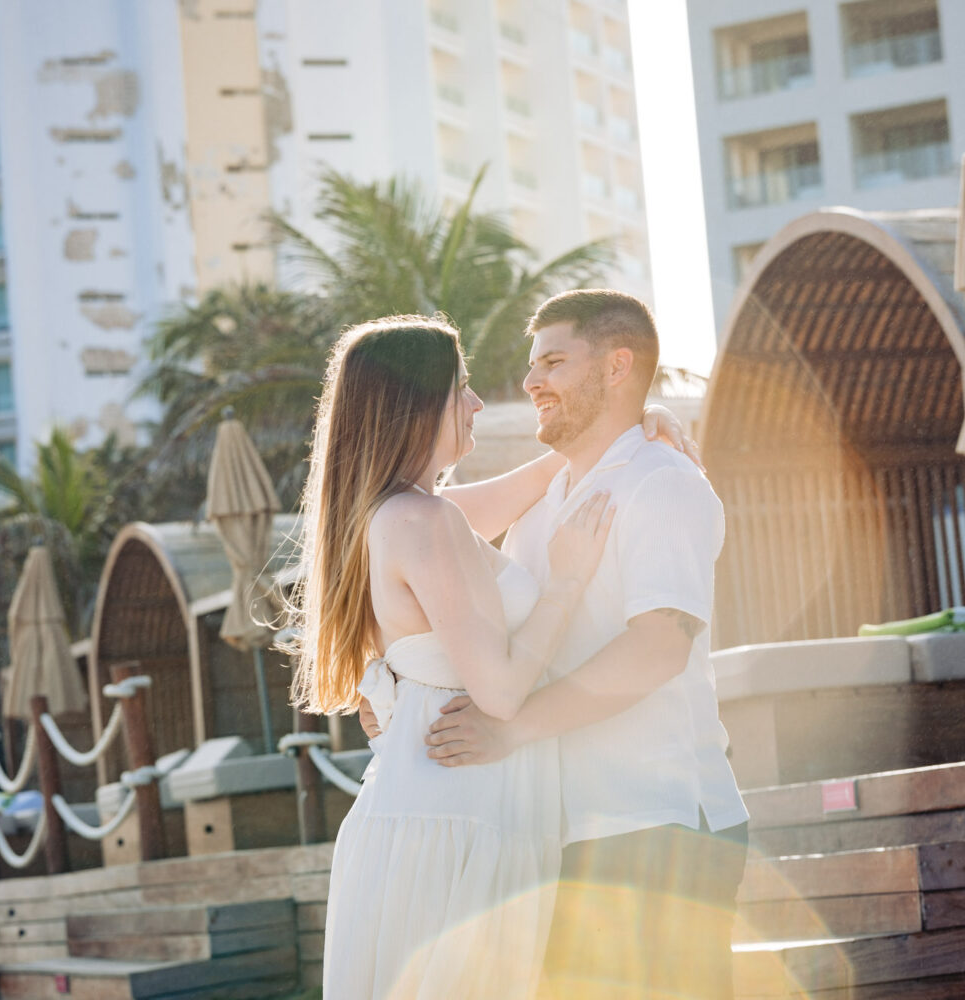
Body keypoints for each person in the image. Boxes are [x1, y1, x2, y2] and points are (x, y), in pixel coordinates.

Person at [293, 315, 694, 1000]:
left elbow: (524, 487)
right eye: (462, 389)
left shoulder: (399, 514)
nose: (477, 404)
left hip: (434, 811)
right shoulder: (425, 521)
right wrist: (565, 582)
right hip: (462, 812)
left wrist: (619, 426)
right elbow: (502, 694)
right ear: (414, 406)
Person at [421, 289, 749, 999]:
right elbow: (411, 527)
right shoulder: (546, 502)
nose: (531, 381)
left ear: (616, 366)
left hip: (658, 825)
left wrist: (511, 731)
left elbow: (660, 648)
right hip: (563, 832)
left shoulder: (663, 484)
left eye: (555, 362)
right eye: (533, 365)